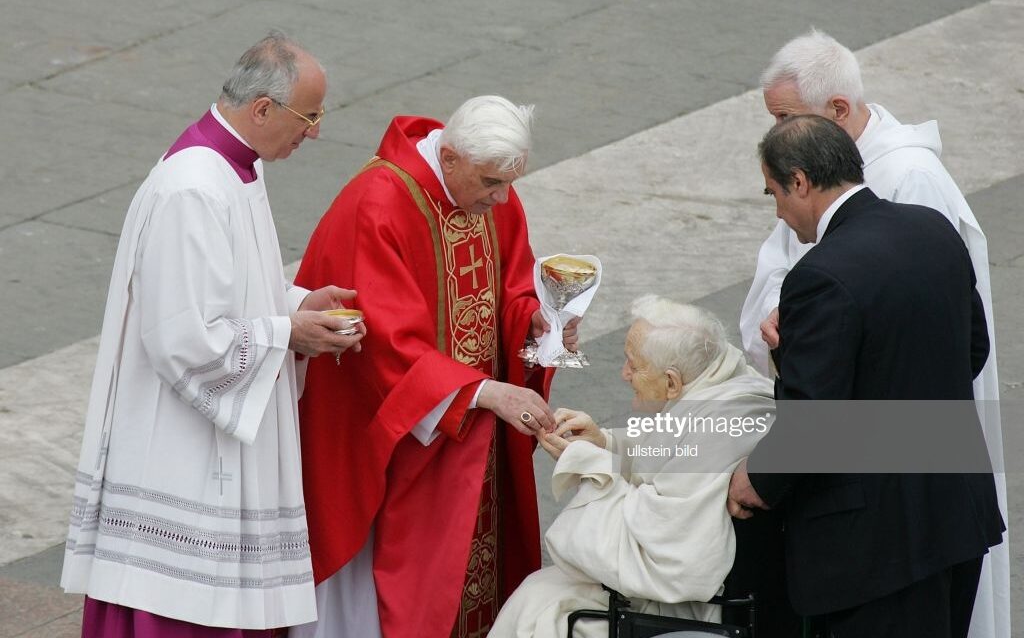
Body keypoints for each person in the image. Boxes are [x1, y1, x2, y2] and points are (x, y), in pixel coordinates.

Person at [60, 32, 366, 636]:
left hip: (210, 444)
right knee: (181, 608)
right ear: (262, 109)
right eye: (310, 116)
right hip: (181, 453)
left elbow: (222, 289)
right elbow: (182, 338)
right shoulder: (194, 186)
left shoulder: (234, 168)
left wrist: (297, 303)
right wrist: (287, 335)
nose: (315, 132)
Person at [737, 30, 1008, 638]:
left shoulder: (821, 274)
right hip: (953, 521)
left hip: (876, 550)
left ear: (801, 182)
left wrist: (756, 478)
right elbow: (971, 349)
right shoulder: (929, 231)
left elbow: (816, 421)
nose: (778, 212)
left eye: (774, 194)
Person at [291, 95, 578, 638]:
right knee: (400, 596)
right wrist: (486, 393)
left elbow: (511, 286)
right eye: (492, 183)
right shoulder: (377, 204)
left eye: (509, 183)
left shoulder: (491, 188)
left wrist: (535, 320)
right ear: (448, 159)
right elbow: (382, 346)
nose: (502, 198)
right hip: (391, 439)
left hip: (469, 435)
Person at [490, 295, 777, 638]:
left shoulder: (722, 425)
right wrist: (604, 443)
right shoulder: (719, 383)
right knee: (534, 592)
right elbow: (669, 451)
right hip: (682, 591)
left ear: (671, 382)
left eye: (633, 364)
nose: (623, 374)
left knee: (540, 611)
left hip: (683, 608)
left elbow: (661, 554)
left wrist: (590, 466)